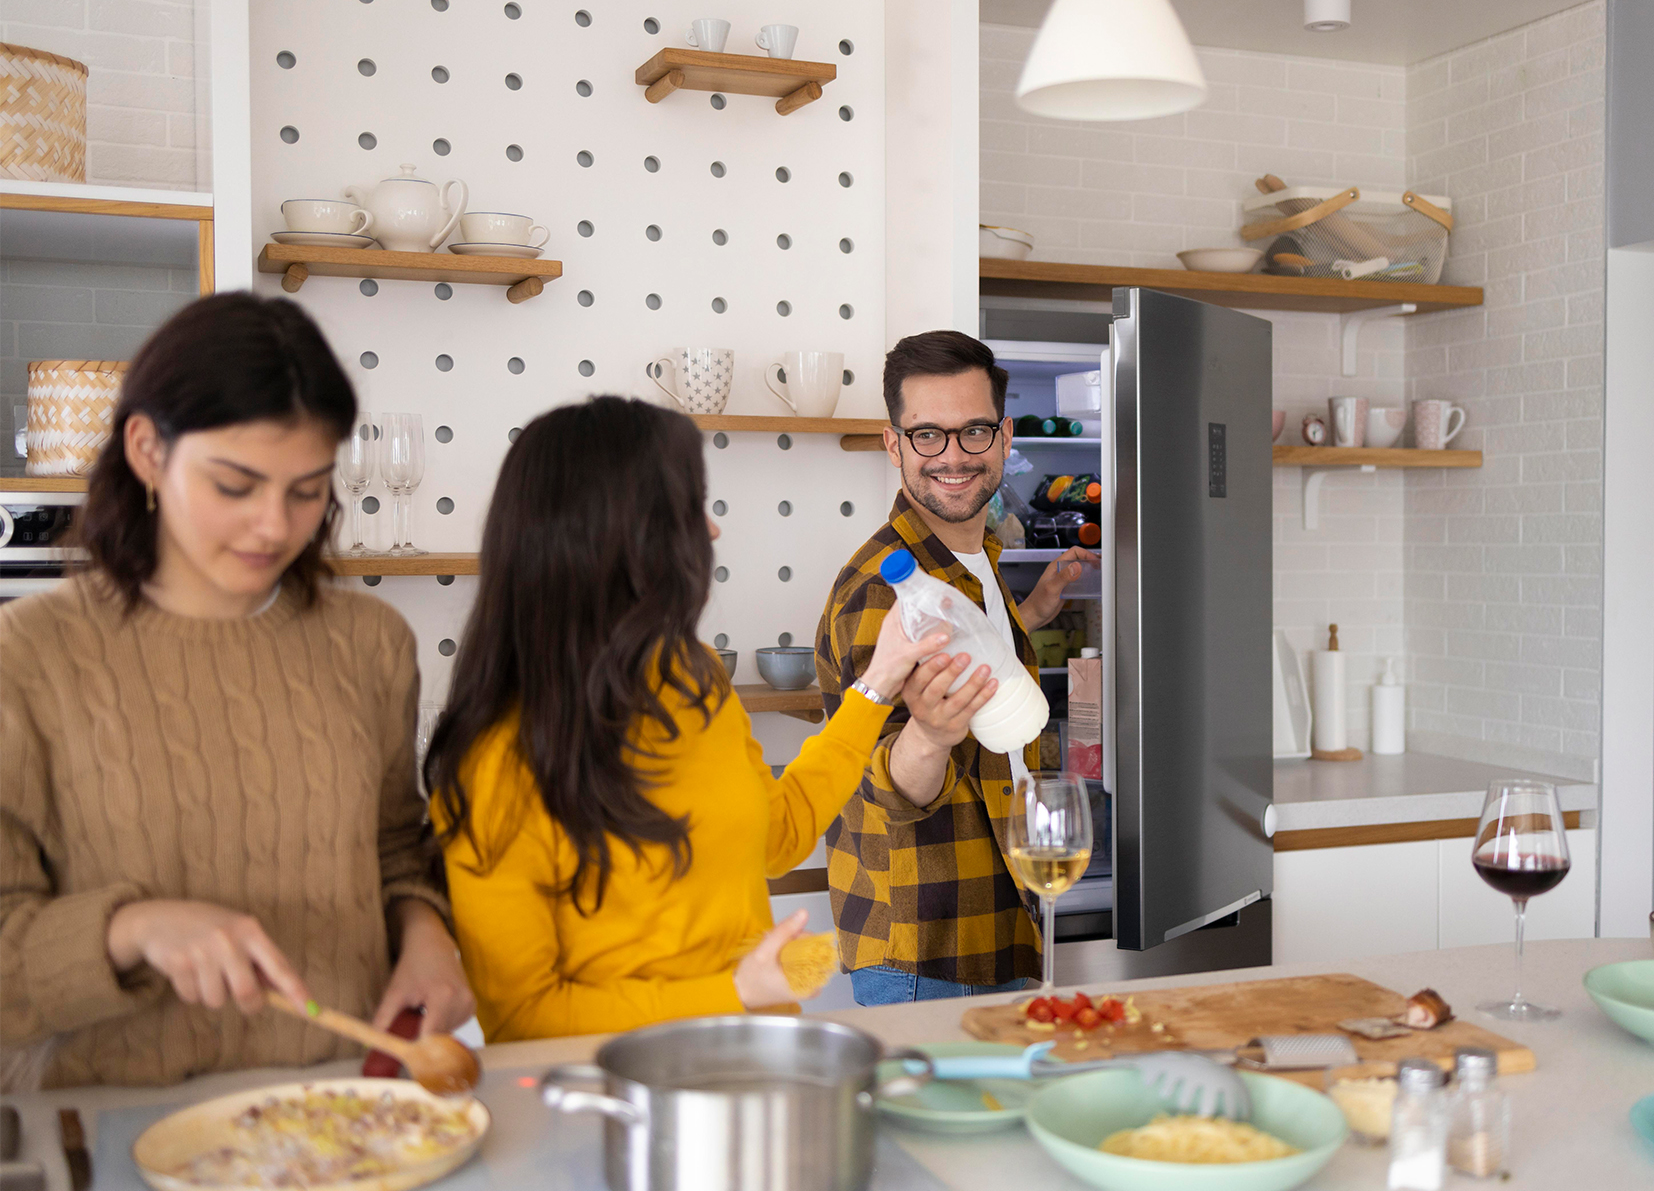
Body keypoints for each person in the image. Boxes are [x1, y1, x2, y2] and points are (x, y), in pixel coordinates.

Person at [0, 293, 471, 1090]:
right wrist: (129, 928)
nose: (272, 527)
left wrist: (428, 934)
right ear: (147, 451)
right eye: (235, 485)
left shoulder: (369, 645)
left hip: (346, 1107)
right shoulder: (31, 657)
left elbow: (396, 847)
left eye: (306, 490)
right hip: (114, 1123)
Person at [423, 397, 950, 1041]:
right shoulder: (496, 761)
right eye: (693, 506)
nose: (713, 530)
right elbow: (522, 1015)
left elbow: (776, 837)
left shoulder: (691, 674)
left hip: (755, 1069)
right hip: (616, 1106)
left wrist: (879, 682)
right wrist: (732, 993)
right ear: (630, 533)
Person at [816, 330, 1097, 1005]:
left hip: (998, 915)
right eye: (927, 436)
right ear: (895, 445)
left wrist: (1030, 612)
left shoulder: (975, 557)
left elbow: (976, 661)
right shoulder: (882, 593)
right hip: (930, 948)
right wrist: (928, 739)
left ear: (1002, 439)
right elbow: (875, 779)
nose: (953, 457)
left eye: (973, 432)